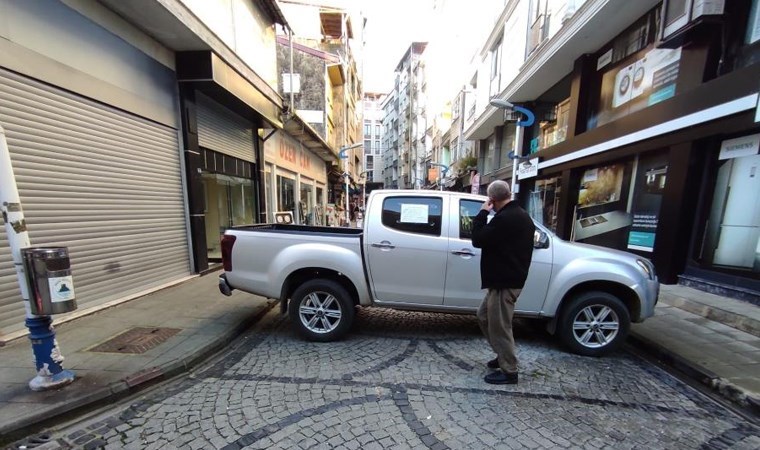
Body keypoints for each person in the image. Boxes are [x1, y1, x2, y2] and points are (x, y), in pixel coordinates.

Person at [471, 180, 535, 385]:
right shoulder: (518, 214)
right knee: (483, 316)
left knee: (500, 327)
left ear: (492, 199)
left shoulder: (507, 218)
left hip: (505, 282)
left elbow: (478, 239)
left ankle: (509, 370)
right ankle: (502, 355)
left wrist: (482, 213)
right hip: (503, 280)